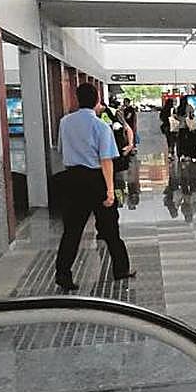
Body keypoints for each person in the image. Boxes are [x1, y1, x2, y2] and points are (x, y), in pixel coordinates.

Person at [55, 82, 135, 290]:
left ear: (76, 99)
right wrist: (109, 190)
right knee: (110, 228)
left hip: (72, 179)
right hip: (96, 180)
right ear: (97, 100)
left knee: (71, 231)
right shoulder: (101, 126)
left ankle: (63, 274)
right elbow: (106, 160)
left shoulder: (65, 122)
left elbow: (62, 150)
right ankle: (120, 269)